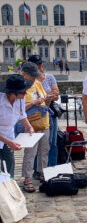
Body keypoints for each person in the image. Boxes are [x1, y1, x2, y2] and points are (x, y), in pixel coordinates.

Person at [21, 62, 51, 192]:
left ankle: (43, 174)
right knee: (30, 152)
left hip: (44, 120)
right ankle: (27, 178)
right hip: (31, 123)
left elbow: (44, 98)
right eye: (32, 76)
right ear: (25, 74)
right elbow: (20, 108)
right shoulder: (21, 87)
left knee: (45, 150)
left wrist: (48, 98)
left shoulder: (37, 83)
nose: (34, 78)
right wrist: (34, 102)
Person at [28, 55, 60, 169]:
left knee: (52, 142)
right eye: (38, 64)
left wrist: (49, 96)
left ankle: (52, 168)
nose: (41, 66)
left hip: (49, 111)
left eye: (41, 63)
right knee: (36, 144)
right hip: (35, 114)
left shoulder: (49, 77)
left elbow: (56, 93)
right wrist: (49, 95)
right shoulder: (30, 80)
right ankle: (38, 169)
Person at [0, 74, 34, 177]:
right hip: (5, 138)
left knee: (9, 166)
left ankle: (9, 187)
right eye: (23, 91)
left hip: (7, 135)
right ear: (12, 92)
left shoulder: (20, 99)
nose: (25, 93)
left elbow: (21, 114)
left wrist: (29, 127)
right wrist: (9, 142)